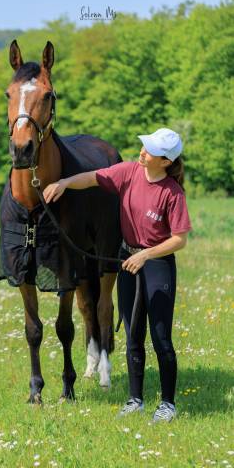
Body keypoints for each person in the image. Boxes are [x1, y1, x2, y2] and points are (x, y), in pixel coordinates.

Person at [43, 127, 192, 422]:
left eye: (149, 150)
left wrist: (146, 254)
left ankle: (168, 404)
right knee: (132, 334)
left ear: (165, 161)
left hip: (156, 264)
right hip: (127, 260)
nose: (142, 151)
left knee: (161, 337)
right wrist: (63, 183)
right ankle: (135, 400)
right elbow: (93, 178)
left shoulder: (172, 193)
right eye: (144, 146)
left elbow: (180, 239)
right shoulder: (129, 172)